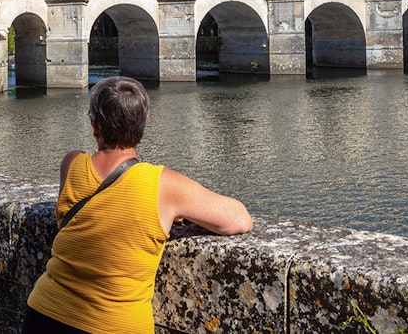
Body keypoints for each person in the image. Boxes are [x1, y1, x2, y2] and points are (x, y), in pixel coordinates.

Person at [23, 76, 253, 334]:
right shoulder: (162, 186)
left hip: (43, 314)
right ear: (143, 126)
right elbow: (239, 219)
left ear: (94, 126)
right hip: (114, 325)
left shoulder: (72, 162)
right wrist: (174, 212)